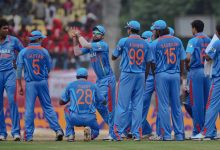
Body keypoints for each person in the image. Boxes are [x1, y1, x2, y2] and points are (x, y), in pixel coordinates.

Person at [70, 25, 116, 141]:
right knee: (98, 104)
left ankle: (113, 133)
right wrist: (74, 38)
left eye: (97, 33)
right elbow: (77, 52)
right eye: (94, 32)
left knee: (109, 106)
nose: (94, 34)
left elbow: (85, 45)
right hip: (100, 80)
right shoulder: (92, 45)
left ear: (102, 35)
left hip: (108, 79)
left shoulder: (102, 45)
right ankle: (113, 127)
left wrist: (79, 34)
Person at [16, 30, 64, 141]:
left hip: (30, 83)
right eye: (41, 38)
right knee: (48, 107)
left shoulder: (23, 52)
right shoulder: (44, 51)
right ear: (37, 39)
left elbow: (18, 71)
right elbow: (49, 68)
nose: (42, 40)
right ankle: (58, 130)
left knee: (29, 109)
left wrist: (19, 85)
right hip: (42, 82)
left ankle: (28, 135)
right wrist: (43, 76)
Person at [112, 20, 153, 141]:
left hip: (127, 74)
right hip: (140, 74)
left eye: (127, 29)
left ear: (129, 29)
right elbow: (149, 62)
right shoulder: (146, 44)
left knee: (122, 105)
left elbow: (114, 56)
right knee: (137, 105)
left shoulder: (124, 41)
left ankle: (118, 133)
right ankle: (136, 133)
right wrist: (144, 78)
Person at [151, 20, 185, 141]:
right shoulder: (178, 41)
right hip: (175, 74)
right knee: (176, 105)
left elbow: (152, 63)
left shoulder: (154, 43)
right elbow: (182, 60)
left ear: (159, 30)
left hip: (162, 75)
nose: (153, 32)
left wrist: (156, 74)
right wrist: (180, 74)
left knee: (164, 106)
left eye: (154, 30)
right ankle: (180, 135)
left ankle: (166, 135)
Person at [60, 68, 105, 142]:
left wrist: (70, 98)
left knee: (66, 109)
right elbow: (103, 101)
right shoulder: (93, 86)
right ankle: (92, 134)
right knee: (96, 131)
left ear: (76, 77)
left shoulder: (71, 85)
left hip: (75, 118)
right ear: (87, 77)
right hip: (90, 118)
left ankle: (70, 134)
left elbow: (61, 102)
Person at [191, 24, 220, 140]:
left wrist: (205, 52)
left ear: (217, 32)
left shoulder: (217, 43)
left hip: (218, 78)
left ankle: (207, 133)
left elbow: (208, 57)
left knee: (211, 105)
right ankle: (211, 132)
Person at [185, 20, 211, 136]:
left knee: (195, 103)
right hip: (207, 72)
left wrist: (187, 66)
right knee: (207, 103)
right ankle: (209, 130)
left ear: (194, 28)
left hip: (195, 72)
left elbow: (188, 57)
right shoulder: (209, 40)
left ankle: (198, 131)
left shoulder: (192, 40)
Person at [0, 18, 24, 141]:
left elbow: (23, 52)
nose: (7, 30)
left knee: (12, 102)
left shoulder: (13, 40)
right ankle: (2, 133)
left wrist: (18, 63)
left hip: (10, 74)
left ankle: (16, 132)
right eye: (4, 28)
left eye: (7, 27)